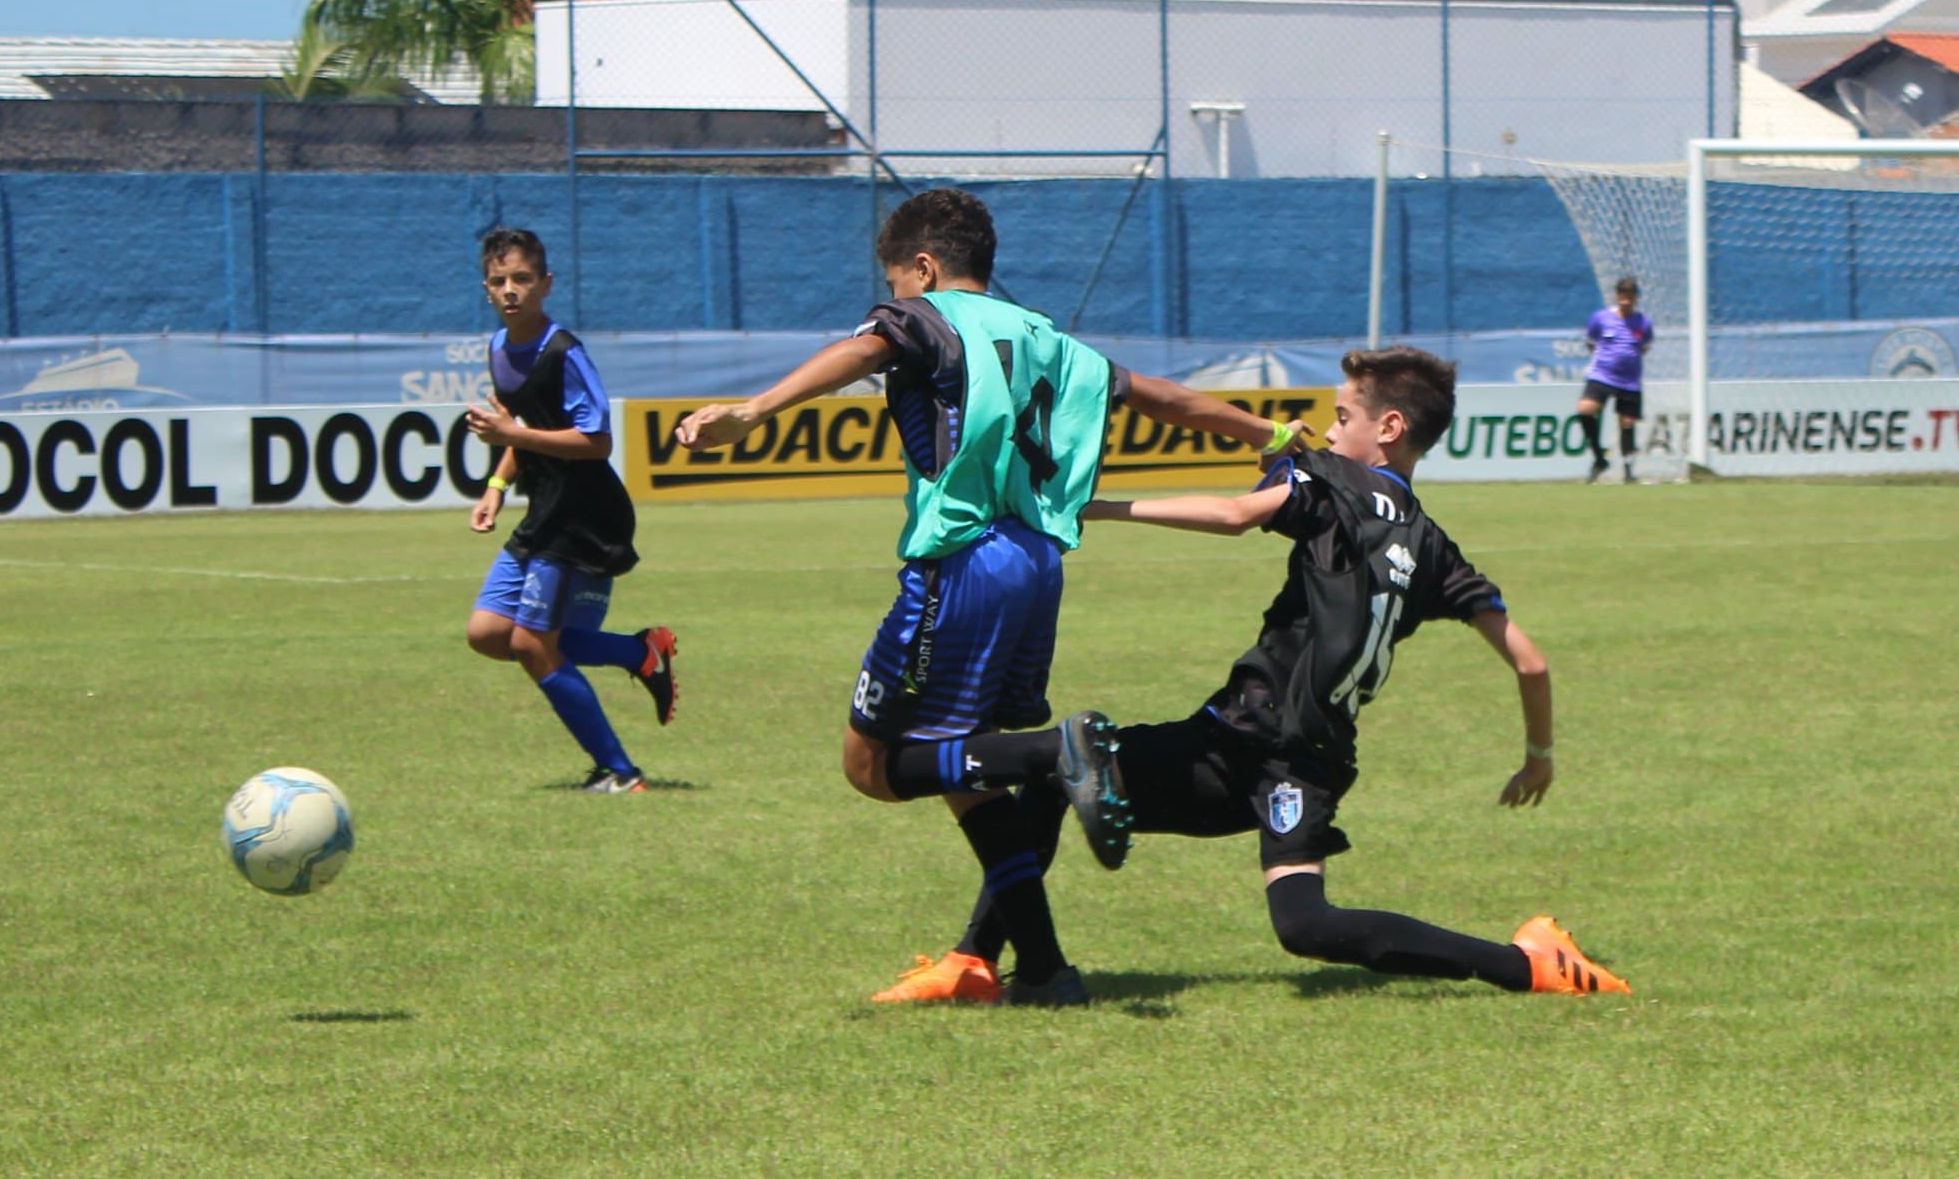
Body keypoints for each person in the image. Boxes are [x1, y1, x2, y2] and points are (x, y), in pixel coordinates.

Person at [675, 188, 1287, 1007]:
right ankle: (1041, 969)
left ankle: (1057, 753)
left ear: (923, 269)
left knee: (875, 765)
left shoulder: (927, 318)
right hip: (1038, 565)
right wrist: (1266, 434)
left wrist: (754, 412)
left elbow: (864, 351)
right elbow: (1160, 397)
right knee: (965, 767)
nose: (893, 304)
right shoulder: (1046, 336)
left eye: (898, 284)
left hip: (966, 561)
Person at [886, 346, 1631, 1000]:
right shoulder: (1435, 546)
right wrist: (1539, 758)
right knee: (1072, 787)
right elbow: (1529, 662)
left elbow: (1238, 514)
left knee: (1287, 914)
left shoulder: (1336, 482)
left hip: (1264, 749)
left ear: (1389, 429)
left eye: (1343, 416)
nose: (1332, 430)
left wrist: (1100, 507)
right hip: (1280, 753)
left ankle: (1524, 961)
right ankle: (981, 960)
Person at [463, 227, 678, 794]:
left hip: (584, 514)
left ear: (546, 284)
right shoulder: (497, 349)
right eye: (499, 281)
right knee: (488, 634)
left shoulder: (564, 352)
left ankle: (621, 772)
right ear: (486, 289)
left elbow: (598, 441)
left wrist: (514, 433)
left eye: (523, 279)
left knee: (533, 644)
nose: (511, 290)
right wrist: (495, 486)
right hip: (546, 511)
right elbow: (522, 431)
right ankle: (640, 651)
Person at [1575, 276, 1653, 483]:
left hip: (1629, 380)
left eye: (1629, 296)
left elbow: (1644, 347)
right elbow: (1591, 342)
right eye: (1622, 295)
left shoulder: (1643, 322)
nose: (1625, 300)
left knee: (1627, 423)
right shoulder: (1601, 318)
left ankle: (1628, 472)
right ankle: (1600, 459)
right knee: (1585, 410)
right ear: (1617, 296)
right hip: (1602, 376)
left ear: (1636, 298)